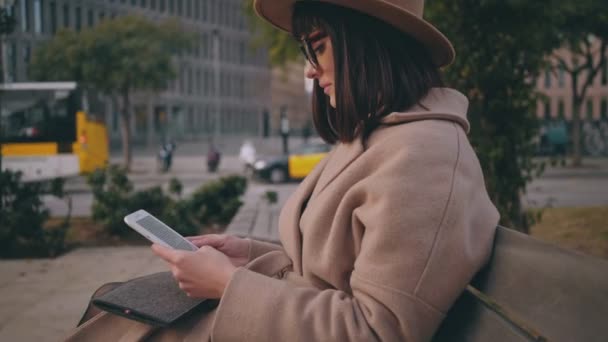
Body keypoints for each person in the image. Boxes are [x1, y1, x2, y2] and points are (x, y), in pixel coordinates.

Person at [66, 1, 499, 341]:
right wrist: (249, 254)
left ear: (370, 42)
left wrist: (230, 284)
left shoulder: (424, 158)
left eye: (320, 45)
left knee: (118, 318)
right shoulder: (382, 134)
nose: (310, 69)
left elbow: (374, 330)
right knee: (115, 303)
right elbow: (330, 270)